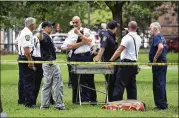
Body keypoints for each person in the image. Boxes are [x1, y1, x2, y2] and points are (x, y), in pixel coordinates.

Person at [61, 16, 97, 104]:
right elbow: (68, 47)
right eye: (73, 22)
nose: (74, 24)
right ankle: (76, 100)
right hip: (75, 57)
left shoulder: (87, 31)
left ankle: (92, 100)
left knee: (89, 79)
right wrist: (83, 41)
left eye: (76, 22)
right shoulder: (70, 33)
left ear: (80, 22)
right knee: (75, 80)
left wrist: (80, 35)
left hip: (86, 56)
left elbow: (90, 42)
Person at [109, 21, 141, 101]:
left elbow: (119, 50)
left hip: (126, 64)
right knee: (131, 85)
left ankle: (116, 102)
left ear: (129, 28)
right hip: (134, 63)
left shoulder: (127, 38)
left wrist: (111, 60)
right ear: (136, 28)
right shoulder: (138, 38)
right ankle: (133, 101)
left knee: (120, 84)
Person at [39, 21, 67, 110]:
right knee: (57, 84)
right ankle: (59, 105)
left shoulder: (48, 36)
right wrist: (40, 32)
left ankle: (44, 105)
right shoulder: (44, 35)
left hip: (49, 63)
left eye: (51, 26)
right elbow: (39, 38)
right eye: (49, 26)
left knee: (47, 85)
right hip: (50, 63)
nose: (51, 27)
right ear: (44, 28)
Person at [95, 20, 119, 102]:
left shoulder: (112, 35)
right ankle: (109, 100)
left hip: (114, 62)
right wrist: (97, 60)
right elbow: (102, 49)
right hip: (108, 62)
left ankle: (110, 99)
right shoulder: (106, 36)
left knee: (113, 82)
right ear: (115, 28)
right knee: (110, 82)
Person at [17, 17, 37, 108]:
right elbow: (26, 49)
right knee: (29, 80)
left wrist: (20, 52)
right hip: (26, 58)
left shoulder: (21, 32)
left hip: (21, 57)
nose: (35, 25)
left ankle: (22, 99)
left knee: (22, 80)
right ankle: (29, 103)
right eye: (34, 24)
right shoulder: (27, 33)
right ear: (31, 24)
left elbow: (15, 43)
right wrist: (30, 60)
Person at [149, 22, 168, 110]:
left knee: (158, 84)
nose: (150, 30)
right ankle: (163, 103)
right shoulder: (161, 36)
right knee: (161, 83)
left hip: (159, 64)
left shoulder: (156, 36)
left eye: (150, 29)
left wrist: (154, 58)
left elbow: (160, 47)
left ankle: (161, 105)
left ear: (155, 29)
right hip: (162, 63)